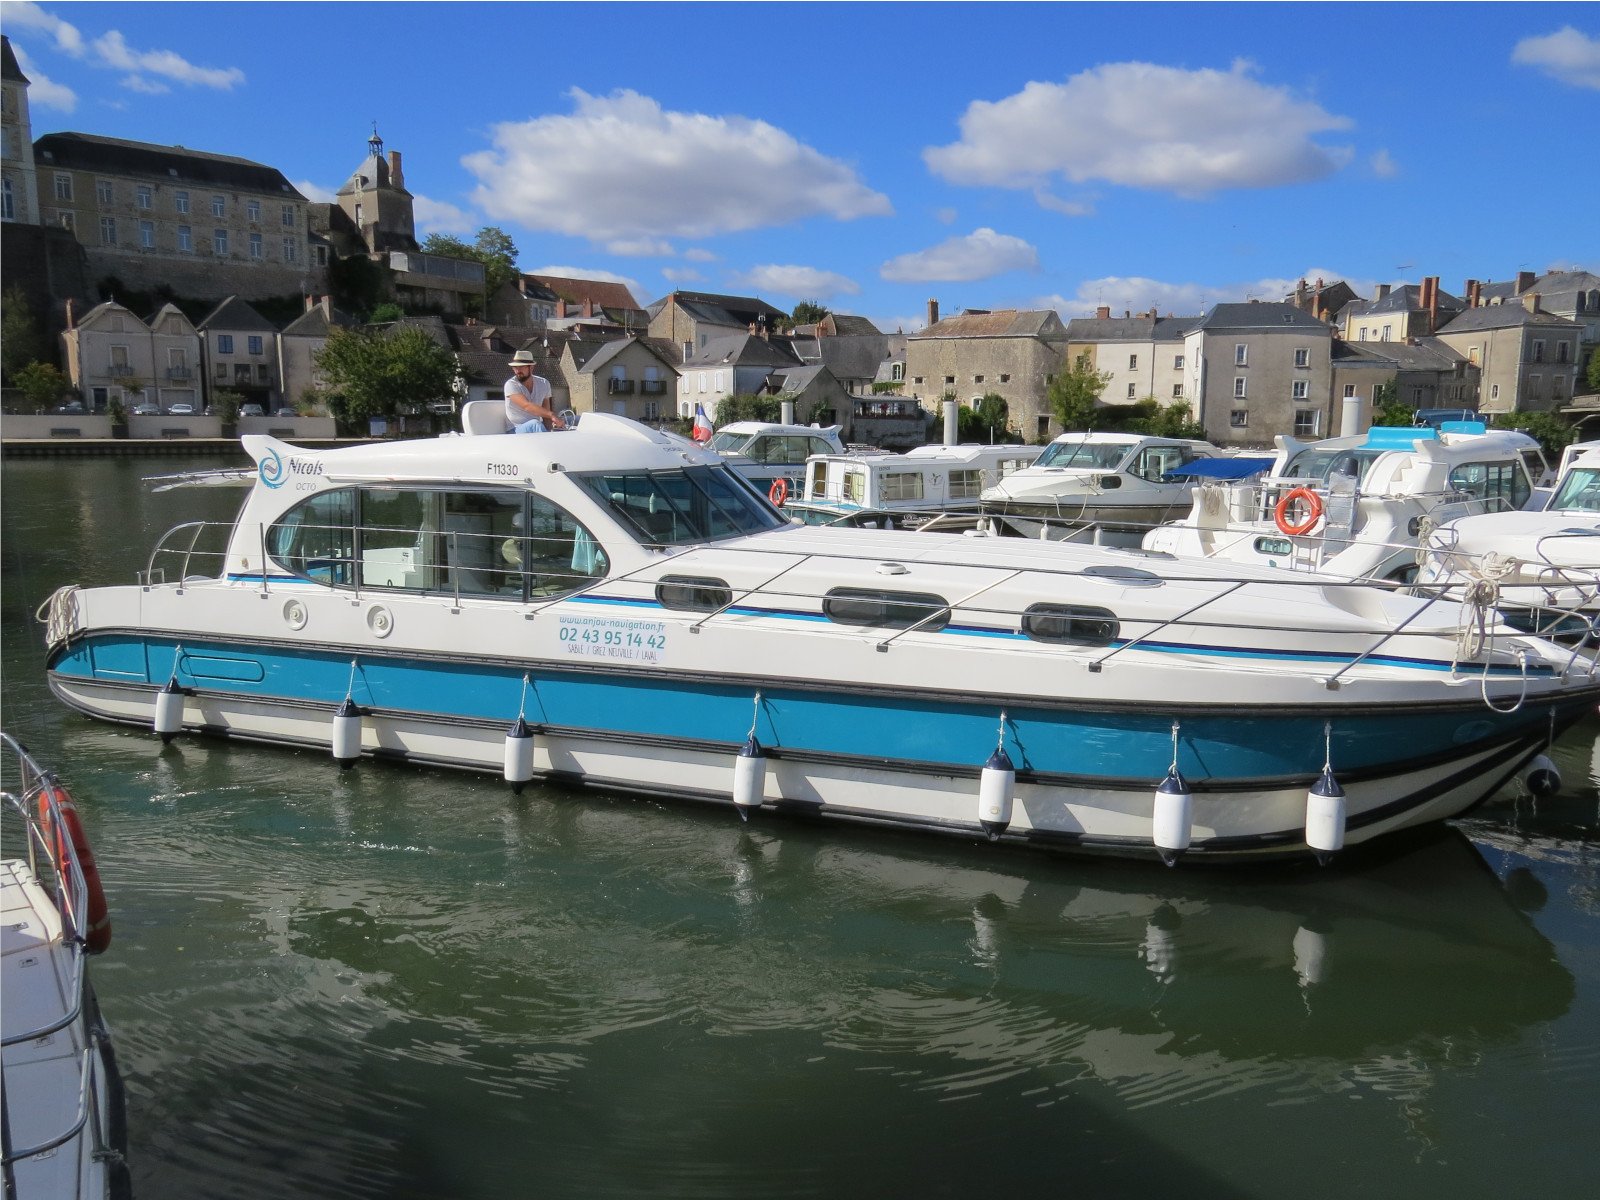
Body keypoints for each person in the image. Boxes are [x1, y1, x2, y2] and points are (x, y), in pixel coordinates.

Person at [504, 349, 565, 433]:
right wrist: (552, 415)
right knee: (535, 424)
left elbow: (546, 413)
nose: (517, 371)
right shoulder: (511, 384)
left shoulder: (544, 383)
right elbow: (527, 406)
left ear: (531, 368)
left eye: (521, 367)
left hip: (535, 429)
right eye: (515, 367)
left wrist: (551, 430)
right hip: (515, 429)